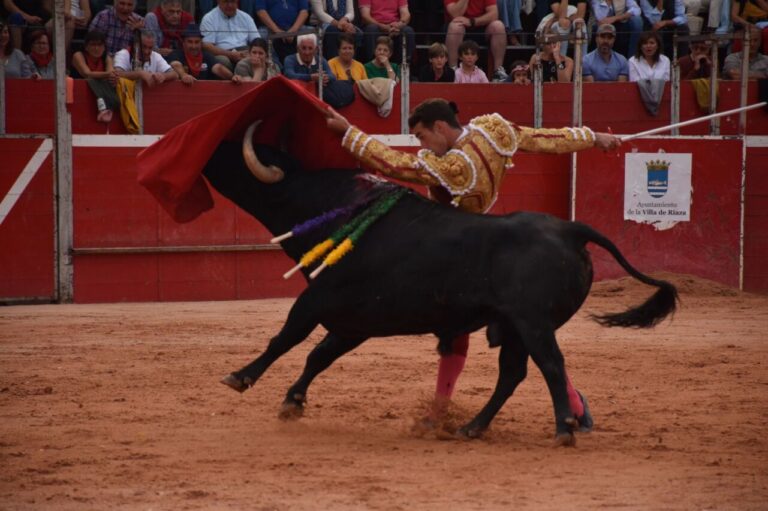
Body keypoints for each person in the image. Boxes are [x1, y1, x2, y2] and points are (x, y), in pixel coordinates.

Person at [325, 98, 620, 429]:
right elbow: (544, 139)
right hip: (488, 240)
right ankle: (574, 405)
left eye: (422, 136)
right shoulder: (492, 130)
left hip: (461, 250)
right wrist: (593, 137)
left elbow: (397, 165)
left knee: (468, 327)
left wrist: (350, 134)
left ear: (440, 127)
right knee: (530, 329)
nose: (422, 145)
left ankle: (440, 409)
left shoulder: (453, 166)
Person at [444, 0, 508, 81]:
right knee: (455, 27)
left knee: (498, 26)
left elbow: (494, 14)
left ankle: (498, 71)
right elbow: (455, 14)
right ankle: (453, 70)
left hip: (480, 26)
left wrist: (472, 21)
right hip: (459, 27)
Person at [70, 30, 118, 123]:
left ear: (104, 47)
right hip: (79, 96)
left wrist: (112, 77)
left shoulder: (106, 58)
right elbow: (87, 74)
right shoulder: (78, 55)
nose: (96, 48)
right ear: (86, 47)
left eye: (100, 45)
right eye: (93, 45)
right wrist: (108, 74)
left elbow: (111, 74)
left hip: (100, 98)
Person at [200, 0, 261, 71]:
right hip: (222, 53)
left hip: (243, 51)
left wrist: (251, 53)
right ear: (218, 1)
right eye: (226, 2)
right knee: (223, 60)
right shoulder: (209, 18)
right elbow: (207, 46)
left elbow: (257, 41)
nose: (230, 5)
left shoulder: (246, 17)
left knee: (255, 56)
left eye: (232, 1)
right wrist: (230, 55)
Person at [167, 23, 235, 83]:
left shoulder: (206, 56)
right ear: (183, 43)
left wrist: (233, 77)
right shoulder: (175, 54)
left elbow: (218, 68)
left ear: (201, 43)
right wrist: (184, 75)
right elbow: (175, 64)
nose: (193, 46)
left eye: (197, 42)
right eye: (190, 42)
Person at [113, 29, 178, 86]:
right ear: (137, 45)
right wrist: (140, 74)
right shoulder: (124, 54)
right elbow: (117, 74)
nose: (147, 51)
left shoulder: (155, 56)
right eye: (144, 47)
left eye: (150, 48)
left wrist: (163, 76)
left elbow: (174, 74)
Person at [255, 0, 311, 65]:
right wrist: (277, 30)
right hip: (270, 28)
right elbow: (261, 11)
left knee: (312, 33)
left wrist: (293, 31)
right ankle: (275, 66)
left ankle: (311, 65)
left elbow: (304, 12)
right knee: (260, 35)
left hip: (295, 27)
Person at [358, 0, 415, 64]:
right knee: (371, 29)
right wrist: (382, 26)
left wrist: (399, 25)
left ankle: (401, 66)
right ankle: (372, 65)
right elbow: (365, 16)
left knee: (408, 31)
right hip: (375, 25)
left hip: (394, 26)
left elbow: (406, 14)